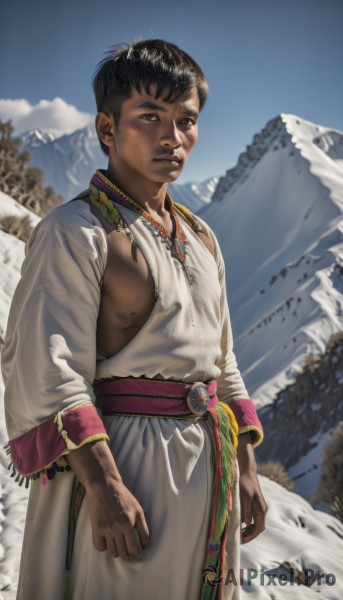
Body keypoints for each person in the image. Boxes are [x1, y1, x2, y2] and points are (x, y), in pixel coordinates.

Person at [2, 39, 267, 600]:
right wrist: (104, 488)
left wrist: (245, 467)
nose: (173, 137)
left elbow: (223, 362)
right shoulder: (74, 232)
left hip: (206, 476)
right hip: (121, 476)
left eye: (186, 120)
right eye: (151, 117)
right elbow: (51, 373)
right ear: (106, 128)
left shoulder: (202, 237)